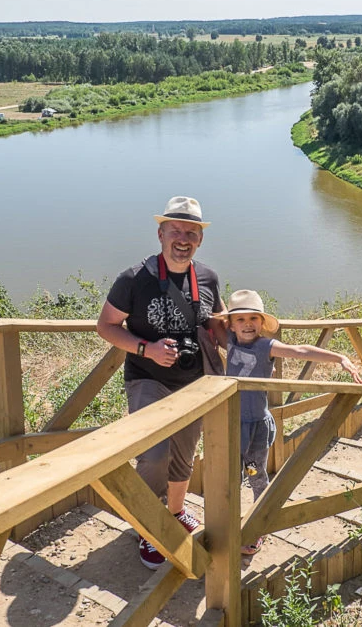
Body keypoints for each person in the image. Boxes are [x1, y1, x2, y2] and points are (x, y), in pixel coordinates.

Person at [96, 196, 227, 571]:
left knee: (184, 455)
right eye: (176, 231)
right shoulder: (133, 279)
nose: (183, 238)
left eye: (191, 232)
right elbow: (105, 326)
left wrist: (245, 344)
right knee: (154, 454)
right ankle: (148, 526)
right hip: (148, 377)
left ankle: (175, 512)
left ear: (199, 239)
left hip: (194, 381)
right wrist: (146, 348)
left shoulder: (208, 277)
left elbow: (213, 322)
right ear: (160, 234)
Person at [217, 289, 362, 555]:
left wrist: (339, 358)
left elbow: (299, 350)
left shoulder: (265, 346)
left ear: (262, 323)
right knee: (229, 476)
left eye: (254, 318)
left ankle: (256, 528)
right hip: (231, 424)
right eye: (240, 319)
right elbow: (207, 317)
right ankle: (227, 527)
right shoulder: (227, 339)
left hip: (256, 428)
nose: (247, 324)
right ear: (230, 324)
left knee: (256, 474)